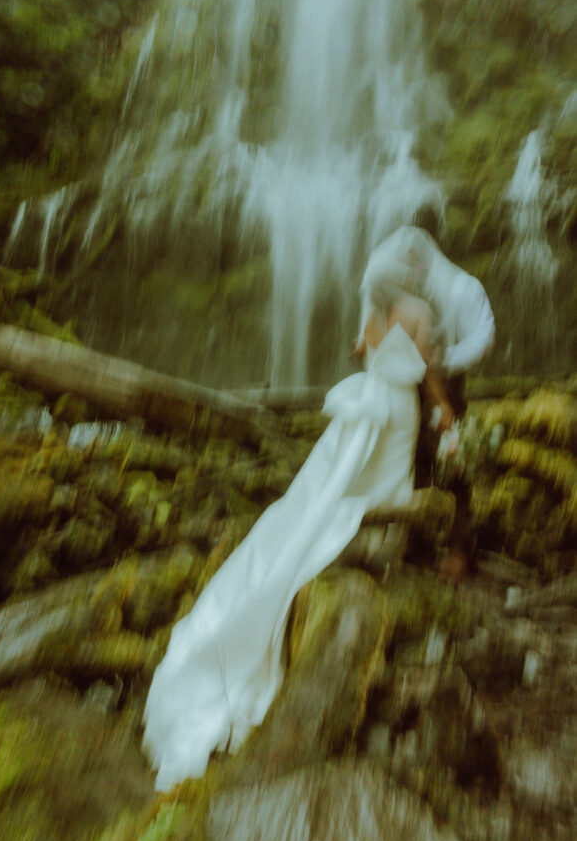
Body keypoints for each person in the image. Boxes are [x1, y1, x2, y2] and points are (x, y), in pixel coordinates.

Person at [142, 257, 453, 792]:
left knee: (307, 504)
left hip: (380, 405)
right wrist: (443, 409)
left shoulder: (383, 310)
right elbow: (422, 363)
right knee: (350, 489)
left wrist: (379, 355)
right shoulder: (419, 311)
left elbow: (368, 349)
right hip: (394, 413)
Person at [361, 226, 495, 571]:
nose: (410, 269)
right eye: (404, 264)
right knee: (413, 464)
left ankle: (461, 550)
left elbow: (482, 338)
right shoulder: (404, 302)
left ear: (428, 258)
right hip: (409, 395)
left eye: (414, 262)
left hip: (443, 386)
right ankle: (417, 546)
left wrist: (445, 363)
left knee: (453, 464)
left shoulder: (462, 289)